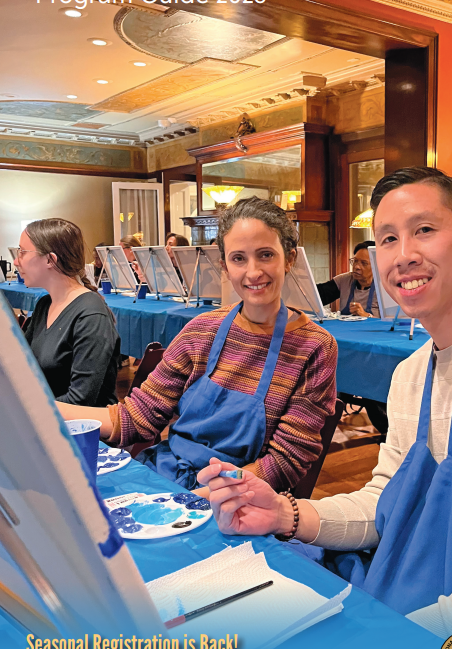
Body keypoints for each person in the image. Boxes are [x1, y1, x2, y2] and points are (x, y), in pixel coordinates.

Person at [199, 167, 452, 643]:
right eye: (388, 239)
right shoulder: (412, 373)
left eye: (425, 231)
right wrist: (287, 514)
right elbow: (386, 504)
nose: (404, 255)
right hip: (420, 605)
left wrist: (394, 640)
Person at [57, 198, 337, 492]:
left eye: (266, 255)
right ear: (224, 266)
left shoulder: (315, 346)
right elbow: (136, 417)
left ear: (289, 259)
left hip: (242, 496)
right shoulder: (201, 330)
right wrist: (40, 408)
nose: (253, 272)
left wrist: (203, 497)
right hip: (168, 476)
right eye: (238, 258)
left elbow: (285, 461)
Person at [15, 219, 120, 406]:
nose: (16, 261)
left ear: (50, 260)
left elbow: (80, 401)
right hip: (47, 417)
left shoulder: (91, 316)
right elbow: (21, 365)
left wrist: (25, 409)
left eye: (22, 252)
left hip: (80, 430)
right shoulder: (44, 305)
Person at [317, 241, 380, 317]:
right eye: (355, 261)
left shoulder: (386, 287)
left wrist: (366, 315)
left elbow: (392, 321)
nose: (357, 267)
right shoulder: (344, 280)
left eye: (364, 263)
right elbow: (317, 296)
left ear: (376, 265)